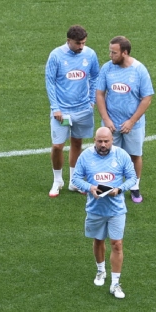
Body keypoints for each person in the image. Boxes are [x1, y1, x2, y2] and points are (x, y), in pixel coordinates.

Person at [71, 127, 138, 299]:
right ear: (94, 140)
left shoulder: (121, 155)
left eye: (106, 141)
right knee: (98, 240)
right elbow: (75, 178)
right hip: (95, 209)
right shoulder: (85, 156)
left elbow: (132, 177)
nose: (103, 145)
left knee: (117, 244)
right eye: (99, 141)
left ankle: (115, 283)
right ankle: (101, 270)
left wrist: (119, 189)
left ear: (112, 140)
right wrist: (90, 188)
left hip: (116, 209)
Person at [96, 36, 154, 202]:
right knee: (107, 155)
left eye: (114, 53)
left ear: (125, 53)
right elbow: (99, 94)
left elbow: (147, 98)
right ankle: (108, 187)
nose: (110, 55)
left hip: (133, 125)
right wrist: (106, 119)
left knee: (134, 155)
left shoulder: (139, 70)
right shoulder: (107, 68)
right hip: (111, 124)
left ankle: (134, 187)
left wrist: (131, 121)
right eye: (110, 52)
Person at [46, 27, 101, 198]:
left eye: (83, 43)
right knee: (57, 146)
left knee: (77, 143)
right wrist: (55, 107)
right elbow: (50, 81)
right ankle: (57, 180)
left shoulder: (90, 54)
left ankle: (74, 181)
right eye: (78, 43)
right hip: (62, 112)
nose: (81, 47)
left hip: (83, 110)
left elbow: (95, 77)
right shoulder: (56, 55)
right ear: (68, 40)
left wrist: (91, 100)